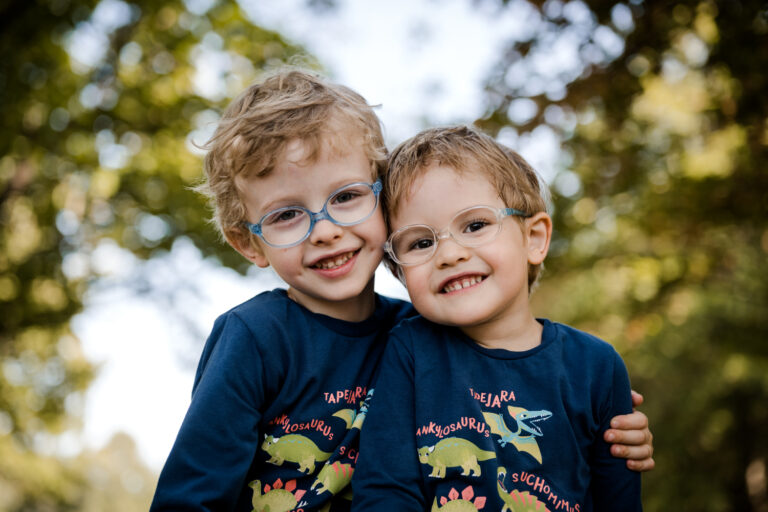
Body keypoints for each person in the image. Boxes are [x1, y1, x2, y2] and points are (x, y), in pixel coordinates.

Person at [150, 71, 653, 512]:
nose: (324, 230)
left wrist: (607, 417)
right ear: (248, 243)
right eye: (286, 214)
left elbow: (525, 377)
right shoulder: (255, 339)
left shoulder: (425, 334)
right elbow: (191, 495)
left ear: (383, 206)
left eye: (346, 197)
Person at [352, 125, 644, 511]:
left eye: (475, 225)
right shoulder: (409, 352)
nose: (450, 254)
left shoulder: (596, 367)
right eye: (421, 242)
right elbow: (386, 492)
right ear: (400, 272)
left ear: (534, 239)